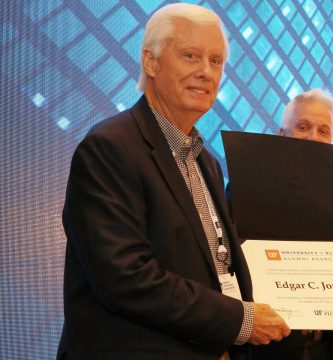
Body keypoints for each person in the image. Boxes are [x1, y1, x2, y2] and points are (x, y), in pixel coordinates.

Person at [57, 4, 290, 359]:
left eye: (216, 61)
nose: (205, 72)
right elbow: (126, 278)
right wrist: (239, 320)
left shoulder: (207, 162)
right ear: (150, 62)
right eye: (190, 55)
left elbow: (218, 266)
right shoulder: (110, 148)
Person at [251, 89, 333, 360]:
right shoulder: (247, 188)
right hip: (269, 347)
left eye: (323, 131)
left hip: (330, 348)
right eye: (303, 127)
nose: (312, 138)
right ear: (282, 134)